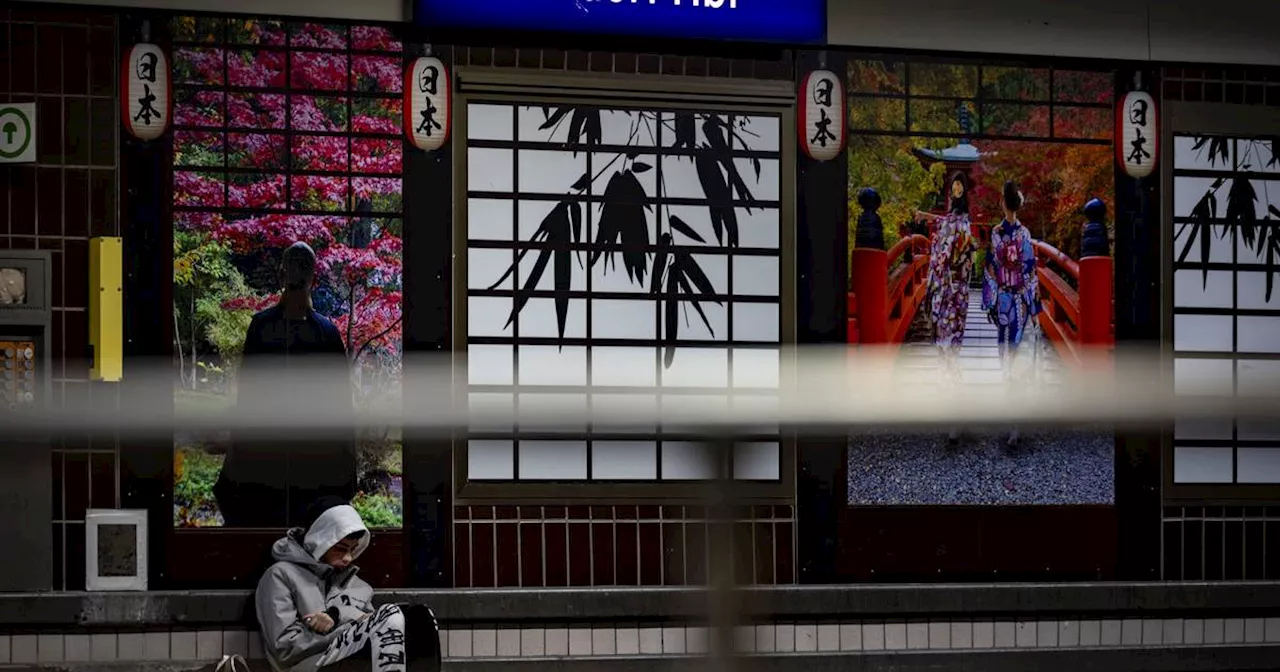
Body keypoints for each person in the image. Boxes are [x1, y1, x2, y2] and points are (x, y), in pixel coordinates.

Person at [214, 242, 358, 527]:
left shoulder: (262, 326)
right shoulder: (326, 332)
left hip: (269, 452)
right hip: (313, 457)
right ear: (314, 279)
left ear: (281, 276)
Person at [256, 497, 442, 672]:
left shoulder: (360, 588)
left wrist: (338, 615)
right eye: (341, 548)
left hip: (355, 663)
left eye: (353, 550)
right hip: (308, 667)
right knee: (390, 615)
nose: (348, 558)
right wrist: (351, 628)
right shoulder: (280, 575)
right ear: (319, 540)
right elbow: (284, 650)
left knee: (419, 617)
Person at [917, 172, 977, 447]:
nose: (955, 189)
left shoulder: (964, 222)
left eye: (959, 186)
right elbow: (940, 236)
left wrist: (952, 260)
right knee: (942, 348)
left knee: (949, 348)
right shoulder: (949, 221)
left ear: (965, 191)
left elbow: (965, 256)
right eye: (953, 185)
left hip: (955, 293)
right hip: (942, 292)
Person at [981, 181, 1041, 449]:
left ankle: (1013, 418)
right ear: (1017, 204)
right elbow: (1031, 273)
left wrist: (989, 303)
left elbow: (990, 268)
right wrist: (1035, 309)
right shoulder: (1025, 234)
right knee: (1016, 354)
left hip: (1004, 300)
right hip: (1019, 302)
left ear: (1003, 203)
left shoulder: (996, 234)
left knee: (1006, 354)